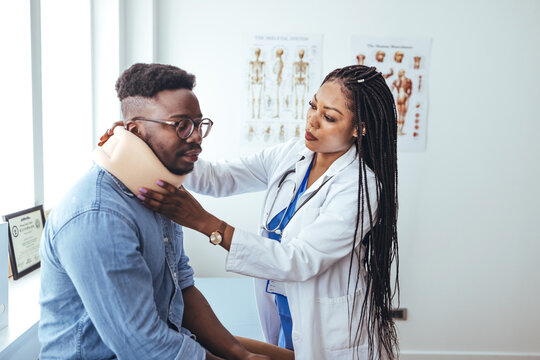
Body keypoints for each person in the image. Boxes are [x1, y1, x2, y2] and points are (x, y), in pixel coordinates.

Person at [139, 65, 400, 359]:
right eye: (313, 105)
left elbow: (298, 260)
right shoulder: (291, 155)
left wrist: (205, 223)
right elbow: (217, 178)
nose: (312, 121)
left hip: (332, 331)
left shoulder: (360, 187)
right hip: (283, 308)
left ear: (359, 128)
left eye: (328, 117)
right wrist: (152, 141)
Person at [38, 63, 273, 360]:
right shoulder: (99, 216)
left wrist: (241, 355)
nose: (197, 137)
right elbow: (142, 346)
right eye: (181, 125)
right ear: (135, 131)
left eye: (199, 124)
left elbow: (182, 291)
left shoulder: (157, 195)